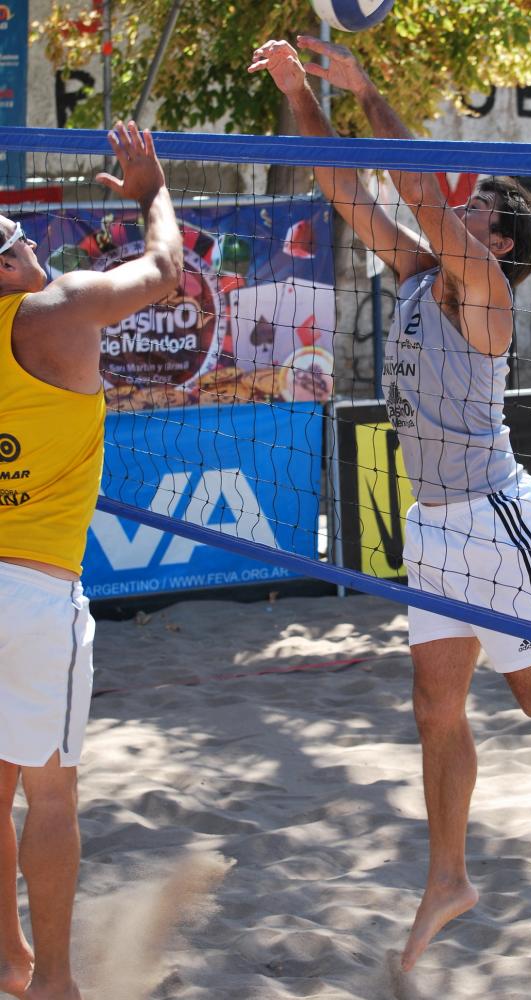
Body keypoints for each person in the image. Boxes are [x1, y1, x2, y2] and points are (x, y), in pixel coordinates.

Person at [249, 38, 531, 973]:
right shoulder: (414, 274)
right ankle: (448, 878)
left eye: (478, 206)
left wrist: (367, 91)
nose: (461, 205)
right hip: (434, 523)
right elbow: (347, 187)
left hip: (490, 516)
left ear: (499, 242)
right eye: (464, 202)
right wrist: (299, 91)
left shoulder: (482, 292)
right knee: (434, 708)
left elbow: (419, 188)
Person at [0, 121, 182, 1000]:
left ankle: (11, 959)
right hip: (36, 593)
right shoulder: (58, 309)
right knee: (51, 796)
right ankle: (57, 983)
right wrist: (153, 190)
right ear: (6, 262)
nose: (35, 245)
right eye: (21, 241)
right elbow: (167, 270)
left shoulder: (49, 306)